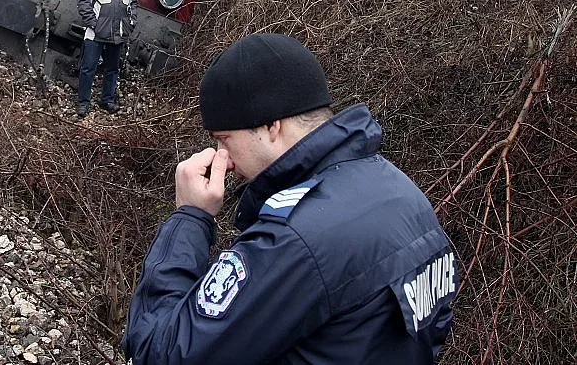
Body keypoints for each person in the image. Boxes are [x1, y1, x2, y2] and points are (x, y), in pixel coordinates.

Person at [122, 33, 457, 364]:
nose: (223, 156)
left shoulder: (295, 240)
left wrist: (191, 217)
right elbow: (433, 329)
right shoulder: (403, 194)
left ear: (271, 126)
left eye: (224, 139)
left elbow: (161, 352)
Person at [76, 0, 137, 117]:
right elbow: (83, 2)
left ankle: (108, 100)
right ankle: (83, 103)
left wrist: (130, 25)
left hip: (116, 36)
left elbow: (133, 5)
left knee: (112, 69)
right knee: (88, 68)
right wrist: (93, 24)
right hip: (94, 34)